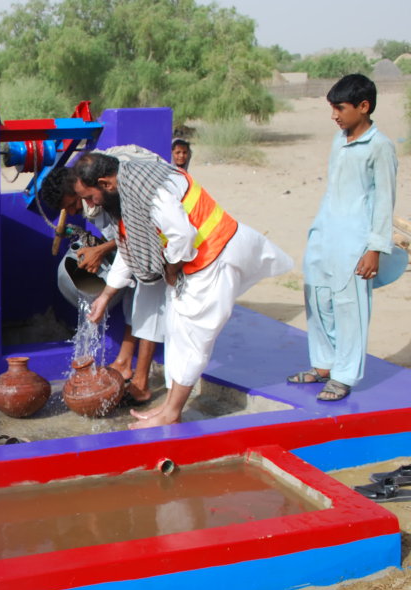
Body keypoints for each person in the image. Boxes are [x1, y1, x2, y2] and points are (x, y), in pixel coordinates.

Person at [74, 151, 293, 429]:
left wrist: (172, 268)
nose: (91, 205)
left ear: (105, 184)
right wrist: (105, 296)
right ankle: (168, 407)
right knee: (177, 332)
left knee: (193, 338)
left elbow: (182, 235)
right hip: (196, 266)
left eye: (91, 197)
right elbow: (129, 250)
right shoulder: (127, 195)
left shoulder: (149, 189)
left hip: (214, 260)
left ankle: (172, 412)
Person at [287, 74, 398, 401]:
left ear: (363, 107)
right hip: (325, 235)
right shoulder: (339, 140)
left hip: (356, 241)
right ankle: (323, 364)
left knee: (350, 307)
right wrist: (315, 232)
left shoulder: (380, 146)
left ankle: (344, 374)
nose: (334, 115)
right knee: (318, 299)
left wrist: (375, 248)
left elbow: (384, 200)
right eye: (332, 108)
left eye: (340, 108)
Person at [40, 161, 162, 405]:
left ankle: (142, 381)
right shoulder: (93, 203)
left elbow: (140, 231)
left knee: (151, 305)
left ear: (80, 188)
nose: (76, 211)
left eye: (74, 203)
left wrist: (102, 250)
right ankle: (125, 362)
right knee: (132, 298)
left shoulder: (111, 195)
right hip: (131, 252)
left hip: (156, 251)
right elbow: (120, 235)